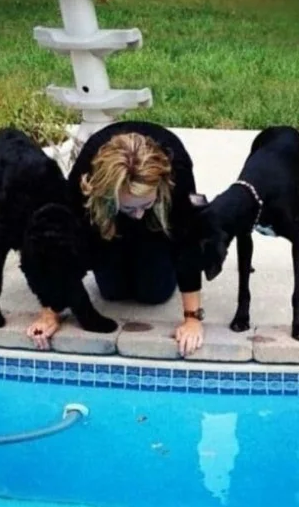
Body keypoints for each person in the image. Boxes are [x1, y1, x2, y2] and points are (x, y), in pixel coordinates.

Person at [27, 120, 205, 357]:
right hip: (109, 221)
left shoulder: (177, 170)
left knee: (153, 294)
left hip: (158, 224)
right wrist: (50, 310)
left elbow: (188, 241)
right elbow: (60, 239)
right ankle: (122, 224)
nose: (138, 214)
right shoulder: (86, 172)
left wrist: (192, 319)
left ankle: (147, 223)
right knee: (112, 292)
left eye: (144, 205)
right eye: (132, 208)